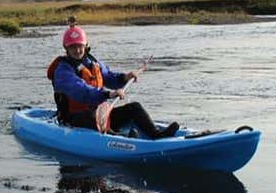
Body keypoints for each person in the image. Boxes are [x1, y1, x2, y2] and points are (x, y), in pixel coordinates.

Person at [47, 21, 179, 139]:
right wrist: (108, 94)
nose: (77, 50)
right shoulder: (63, 71)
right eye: (72, 47)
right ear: (66, 48)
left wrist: (126, 77)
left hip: (100, 115)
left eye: (79, 46)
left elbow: (110, 77)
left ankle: (156, 135)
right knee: (90, 117)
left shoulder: (92, 63)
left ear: (85, 45)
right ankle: (121, 139)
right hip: (74, 118)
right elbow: (82, 91)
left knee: (134, 107)